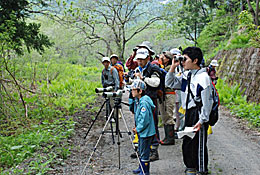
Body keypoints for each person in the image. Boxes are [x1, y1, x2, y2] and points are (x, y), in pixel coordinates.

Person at [165, 47, 213, 175]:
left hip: (198, 113)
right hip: (188, 112)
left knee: (199, 143)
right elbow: (170, 83)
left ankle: (201, 170)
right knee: (187, 141)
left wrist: (202, 120)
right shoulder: (187, 75)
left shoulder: (203, 78)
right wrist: (173, 67)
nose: (183, 62)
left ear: (195, 60)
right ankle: (190, 166)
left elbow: (207, 102)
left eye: (185, 59)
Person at [128, 48, 161, 161]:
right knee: (139, 122)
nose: (140, 61)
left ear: (148, 58)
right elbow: (130, 82)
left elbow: (156, 83)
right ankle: (141, 149)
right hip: (138, 100)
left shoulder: (153, 68)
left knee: (152, 124)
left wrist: (143, 78)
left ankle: (153, 150)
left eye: (142, 59)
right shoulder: (137, 69)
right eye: (138, 59)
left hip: (150, 100)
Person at [131, 79, 156, 175]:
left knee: (145, 152)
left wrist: (138, 128)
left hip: (146, 132)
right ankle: (140, 167)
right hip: (143, 132)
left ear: (140, 91)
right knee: (141, 150)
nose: (132, 92)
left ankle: (145, 171)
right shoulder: (139, 101)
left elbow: (144, 119)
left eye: (134, 90)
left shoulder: (144, 102)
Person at [158, 51, 176, 145]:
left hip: (169, 93)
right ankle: (167, 137)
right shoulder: (165, 68)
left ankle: (170, 138)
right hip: (165, 94)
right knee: (165, 116)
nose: (162, 59)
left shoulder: (170, 68)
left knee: (168, 115)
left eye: (164, 57)